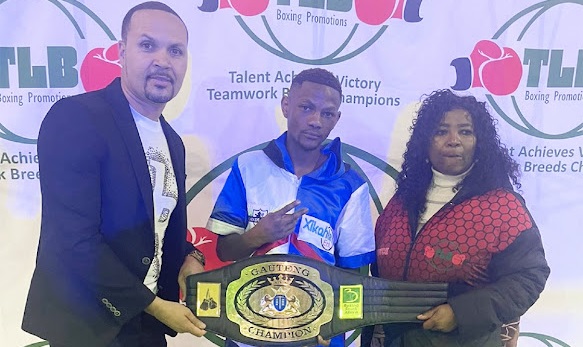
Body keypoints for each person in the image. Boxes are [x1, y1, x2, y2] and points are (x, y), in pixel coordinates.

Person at [22, 2, 207, 346]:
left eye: (176, 51)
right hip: (88, 327)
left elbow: (153, 229)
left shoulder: (173, 142)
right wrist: (154, 306)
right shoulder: (77, 118)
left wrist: (190, 257)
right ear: (122, 52)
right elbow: (74, 240)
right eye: (148, 45)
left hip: (146, 326)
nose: (163, 61)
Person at [363, 89, 550, 346]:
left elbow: (530, 277)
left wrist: (460, 313)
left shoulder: (502, 206)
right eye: (441, 131)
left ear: (479, 141)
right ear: (424, 142)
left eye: (465, 131)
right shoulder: (400, 202)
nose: (453, 140)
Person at [206, 68, 376, 347]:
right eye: (306, 107)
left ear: (337, 118)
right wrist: (257, 236)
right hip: (250, 332)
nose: (315, 121)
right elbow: (224, 251)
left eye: (327, 113)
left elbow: (355, 275)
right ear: (286, 105)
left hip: (318, 335)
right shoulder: (248, 167)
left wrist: (338, 323)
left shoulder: (350, 184)